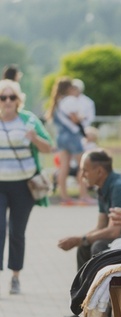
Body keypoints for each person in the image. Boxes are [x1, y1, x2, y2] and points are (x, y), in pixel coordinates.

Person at [57, 150, 121, 270]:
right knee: (84, 247)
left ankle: (102, 287)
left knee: (99, 246)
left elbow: (113, 232)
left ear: (100, 171)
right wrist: (80, 239)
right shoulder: (102, 188)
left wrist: (80, 239)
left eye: (85, 170)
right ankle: (84, 288)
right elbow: (101, 226)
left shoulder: (120, 187)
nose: (82, 175)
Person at [0, 79, 52, 294]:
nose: (8, 101)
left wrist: (34, 138)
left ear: (19, 100)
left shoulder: (28, 120)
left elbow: (48, 147)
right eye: (3, 97)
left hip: (24, 185)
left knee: (17, 231)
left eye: (12, 97)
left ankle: (15, 276)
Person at [48, 77, 85, 205]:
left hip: (61, 136)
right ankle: (83, 195)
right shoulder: (70, 100)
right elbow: (74, 119)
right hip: (72, 136)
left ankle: (64, 196)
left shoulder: (57, 102)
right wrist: (82, 118)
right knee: (83, 165)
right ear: (69, 88)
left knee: (64, 167)